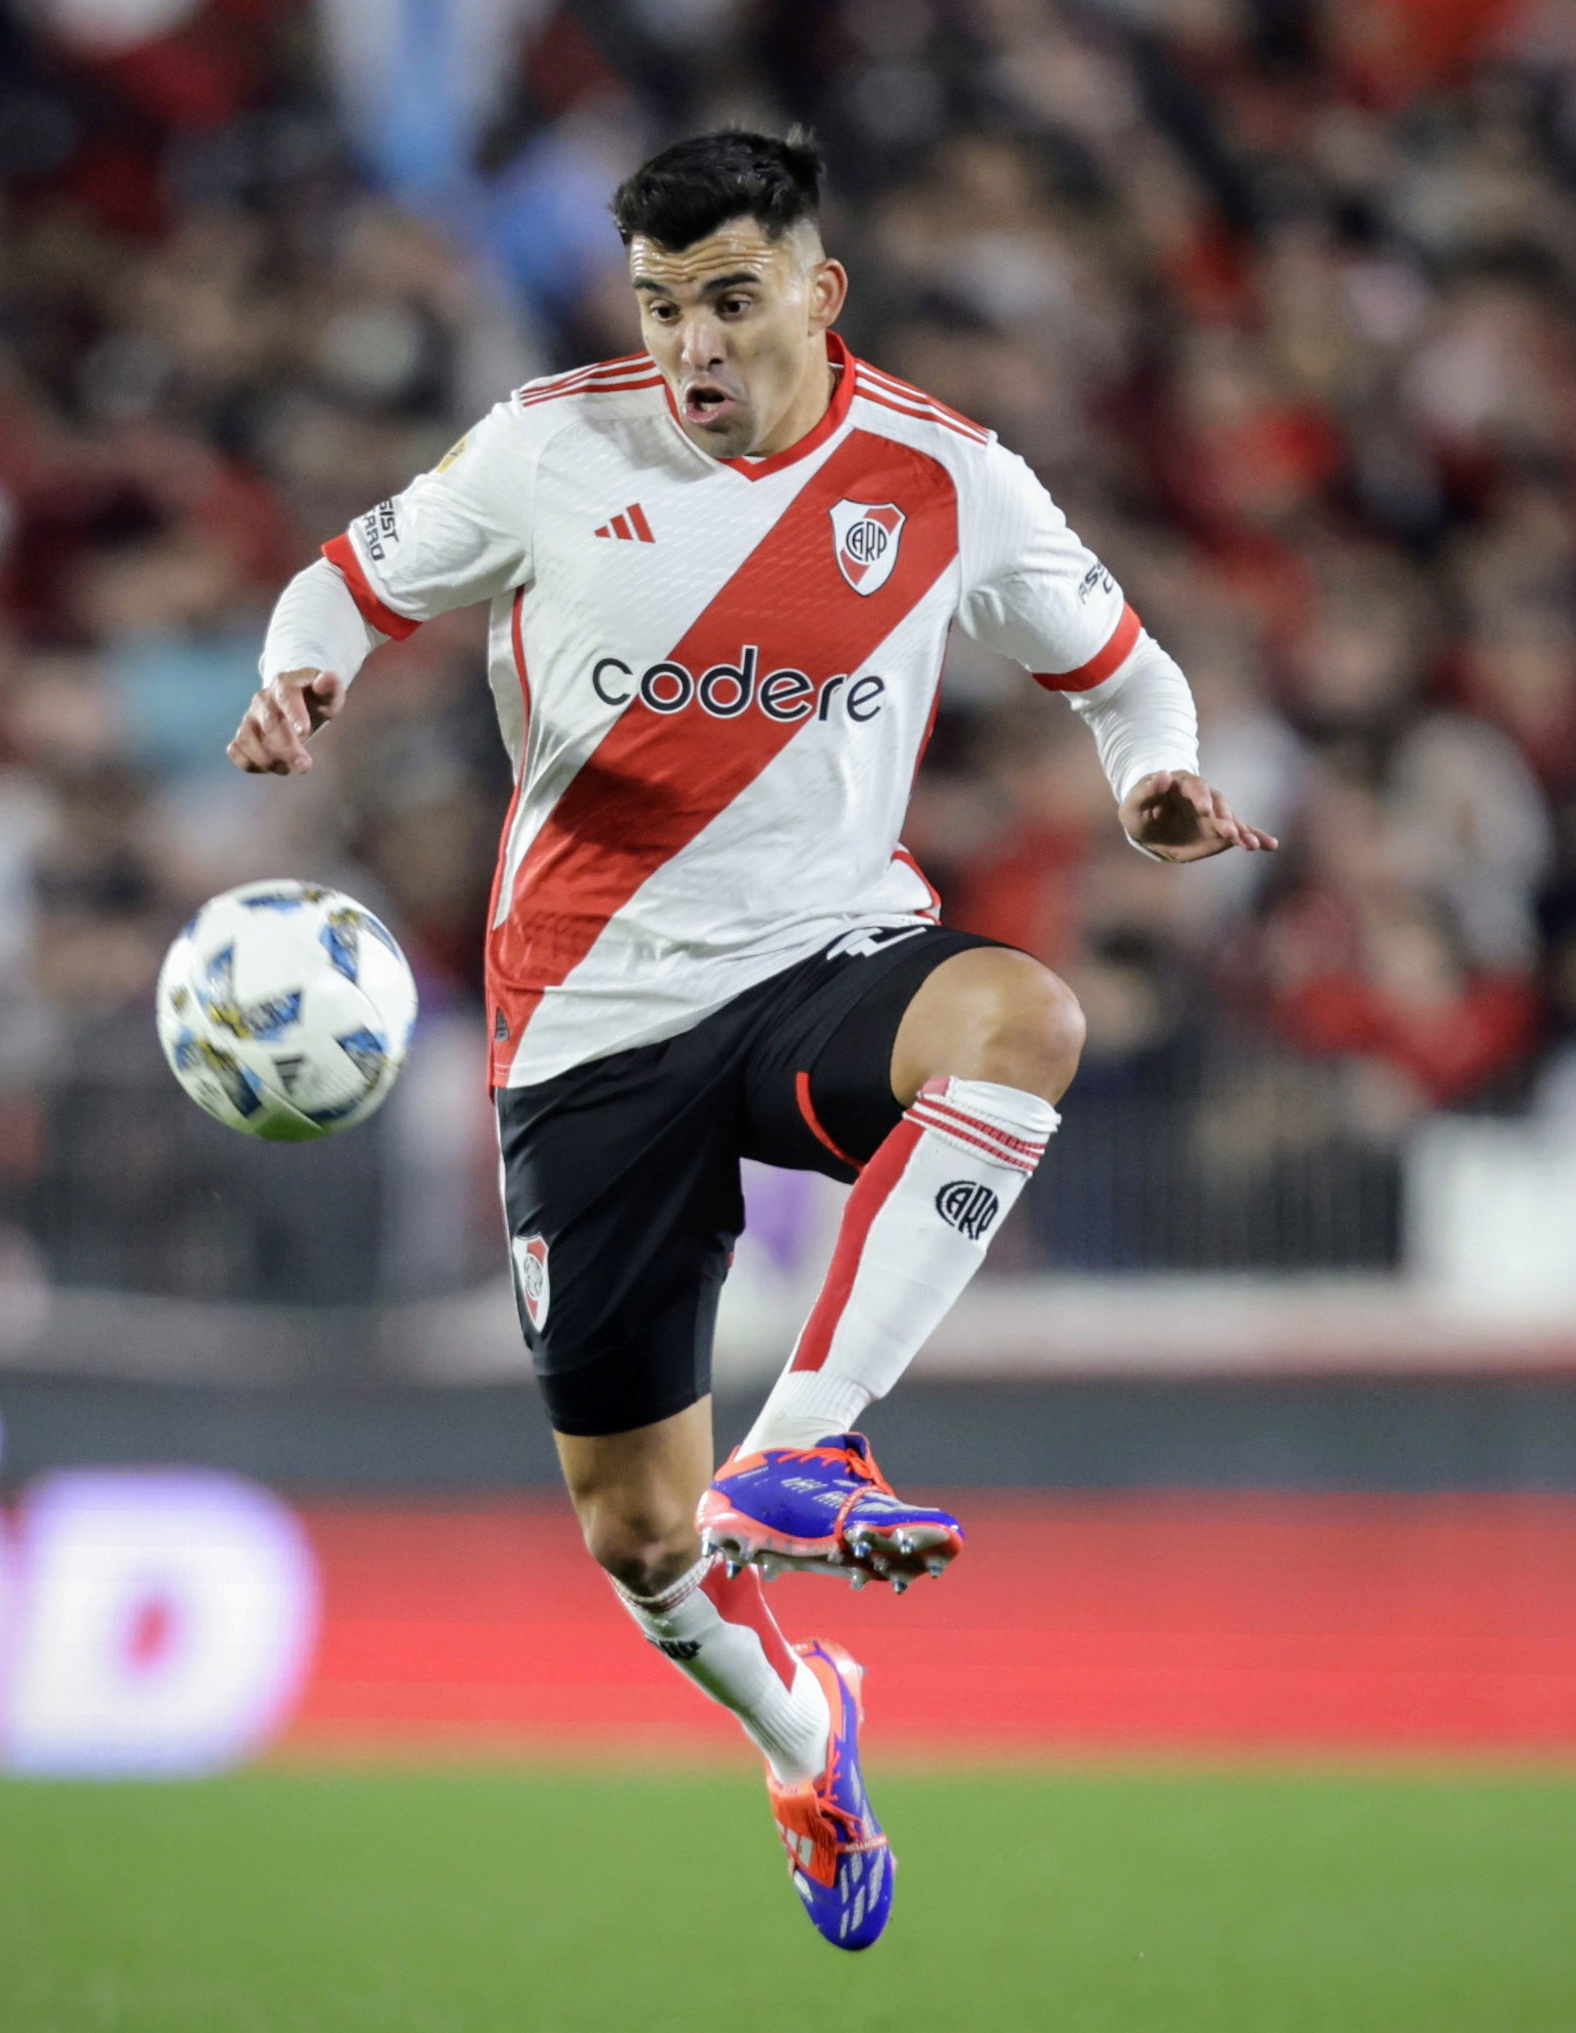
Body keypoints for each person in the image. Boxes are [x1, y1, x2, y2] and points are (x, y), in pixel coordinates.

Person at [232, 129, 1273, 1949]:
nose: (692, 343)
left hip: (813, 960)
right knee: (638, 1540)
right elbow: (343, 576)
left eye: (726, 298)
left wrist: (1156, 777)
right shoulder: (551, 444)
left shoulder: (944, 478)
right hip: (587, 1018)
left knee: (1022, 1017)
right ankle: (803, 1727)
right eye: (658, 305)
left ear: (816, 289)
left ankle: (812, 1441)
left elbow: (1127, 669)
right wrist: (299, 665)